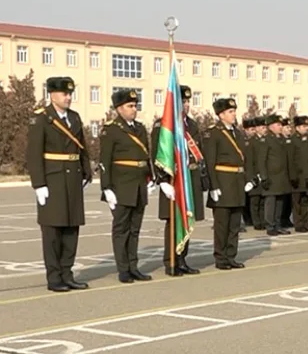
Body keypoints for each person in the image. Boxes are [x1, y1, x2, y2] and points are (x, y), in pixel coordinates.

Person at [26, 76, 92, 292]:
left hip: (72, 179)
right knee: (53, 232)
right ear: (51, 94)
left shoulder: (74, 117)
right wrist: (39, 184)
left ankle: (67, 273)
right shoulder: (42, 119)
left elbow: (81, 146)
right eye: (64, 93)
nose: (68, 97)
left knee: (72, 229)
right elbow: (34, 154)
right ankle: (54, 278)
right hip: (52, 179)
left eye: (70, 93)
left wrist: (86, 171)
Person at [99, 88, 154, 283]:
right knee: (121, 229)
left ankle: (133, 265)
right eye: (129, 106)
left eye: (135, 105)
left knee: (135, 229)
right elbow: (104, 160)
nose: (134, 109)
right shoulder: (111, 129)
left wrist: (151, 178)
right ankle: (123, 268)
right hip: (121, 186)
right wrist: (106, 188)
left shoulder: (139, 128)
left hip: (139, 185)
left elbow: (145, 155)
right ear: (119, 108)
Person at [150, 85, 205, 276]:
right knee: (173, 223)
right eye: (183, 102)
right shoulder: (164, 125)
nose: (187, 105)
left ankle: (182, 259)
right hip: (174, 180)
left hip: (189, 179)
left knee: (187, 219)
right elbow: (157, 154)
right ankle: (170, 261)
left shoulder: (192, 125)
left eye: (188, 101)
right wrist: (162, 179)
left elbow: (197, 153)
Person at [202, 98, 251, 270]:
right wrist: (213, 186)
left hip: (237, 182)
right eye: (230, 112)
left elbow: (245, 159)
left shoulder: (238, 133)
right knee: (222, 224)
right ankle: (221, 257)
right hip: (223, 182)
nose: (234, 114)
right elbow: (210, 161)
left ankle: (231, 255)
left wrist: (248, 180)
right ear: (221, 114)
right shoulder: (213, 133)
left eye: (234, 111)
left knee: (235, 224)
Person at [259, 114, 293, 236]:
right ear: (270, 126)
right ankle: (270, 225)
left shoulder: (282, 139)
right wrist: (263, 177)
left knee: (279, 202)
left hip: (282, 176)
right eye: (278, 125)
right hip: (271, 176)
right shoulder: (266, 140)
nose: (280, 127)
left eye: (280, 125)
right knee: (271, 201)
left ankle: (277, 225)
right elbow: (261, 160)